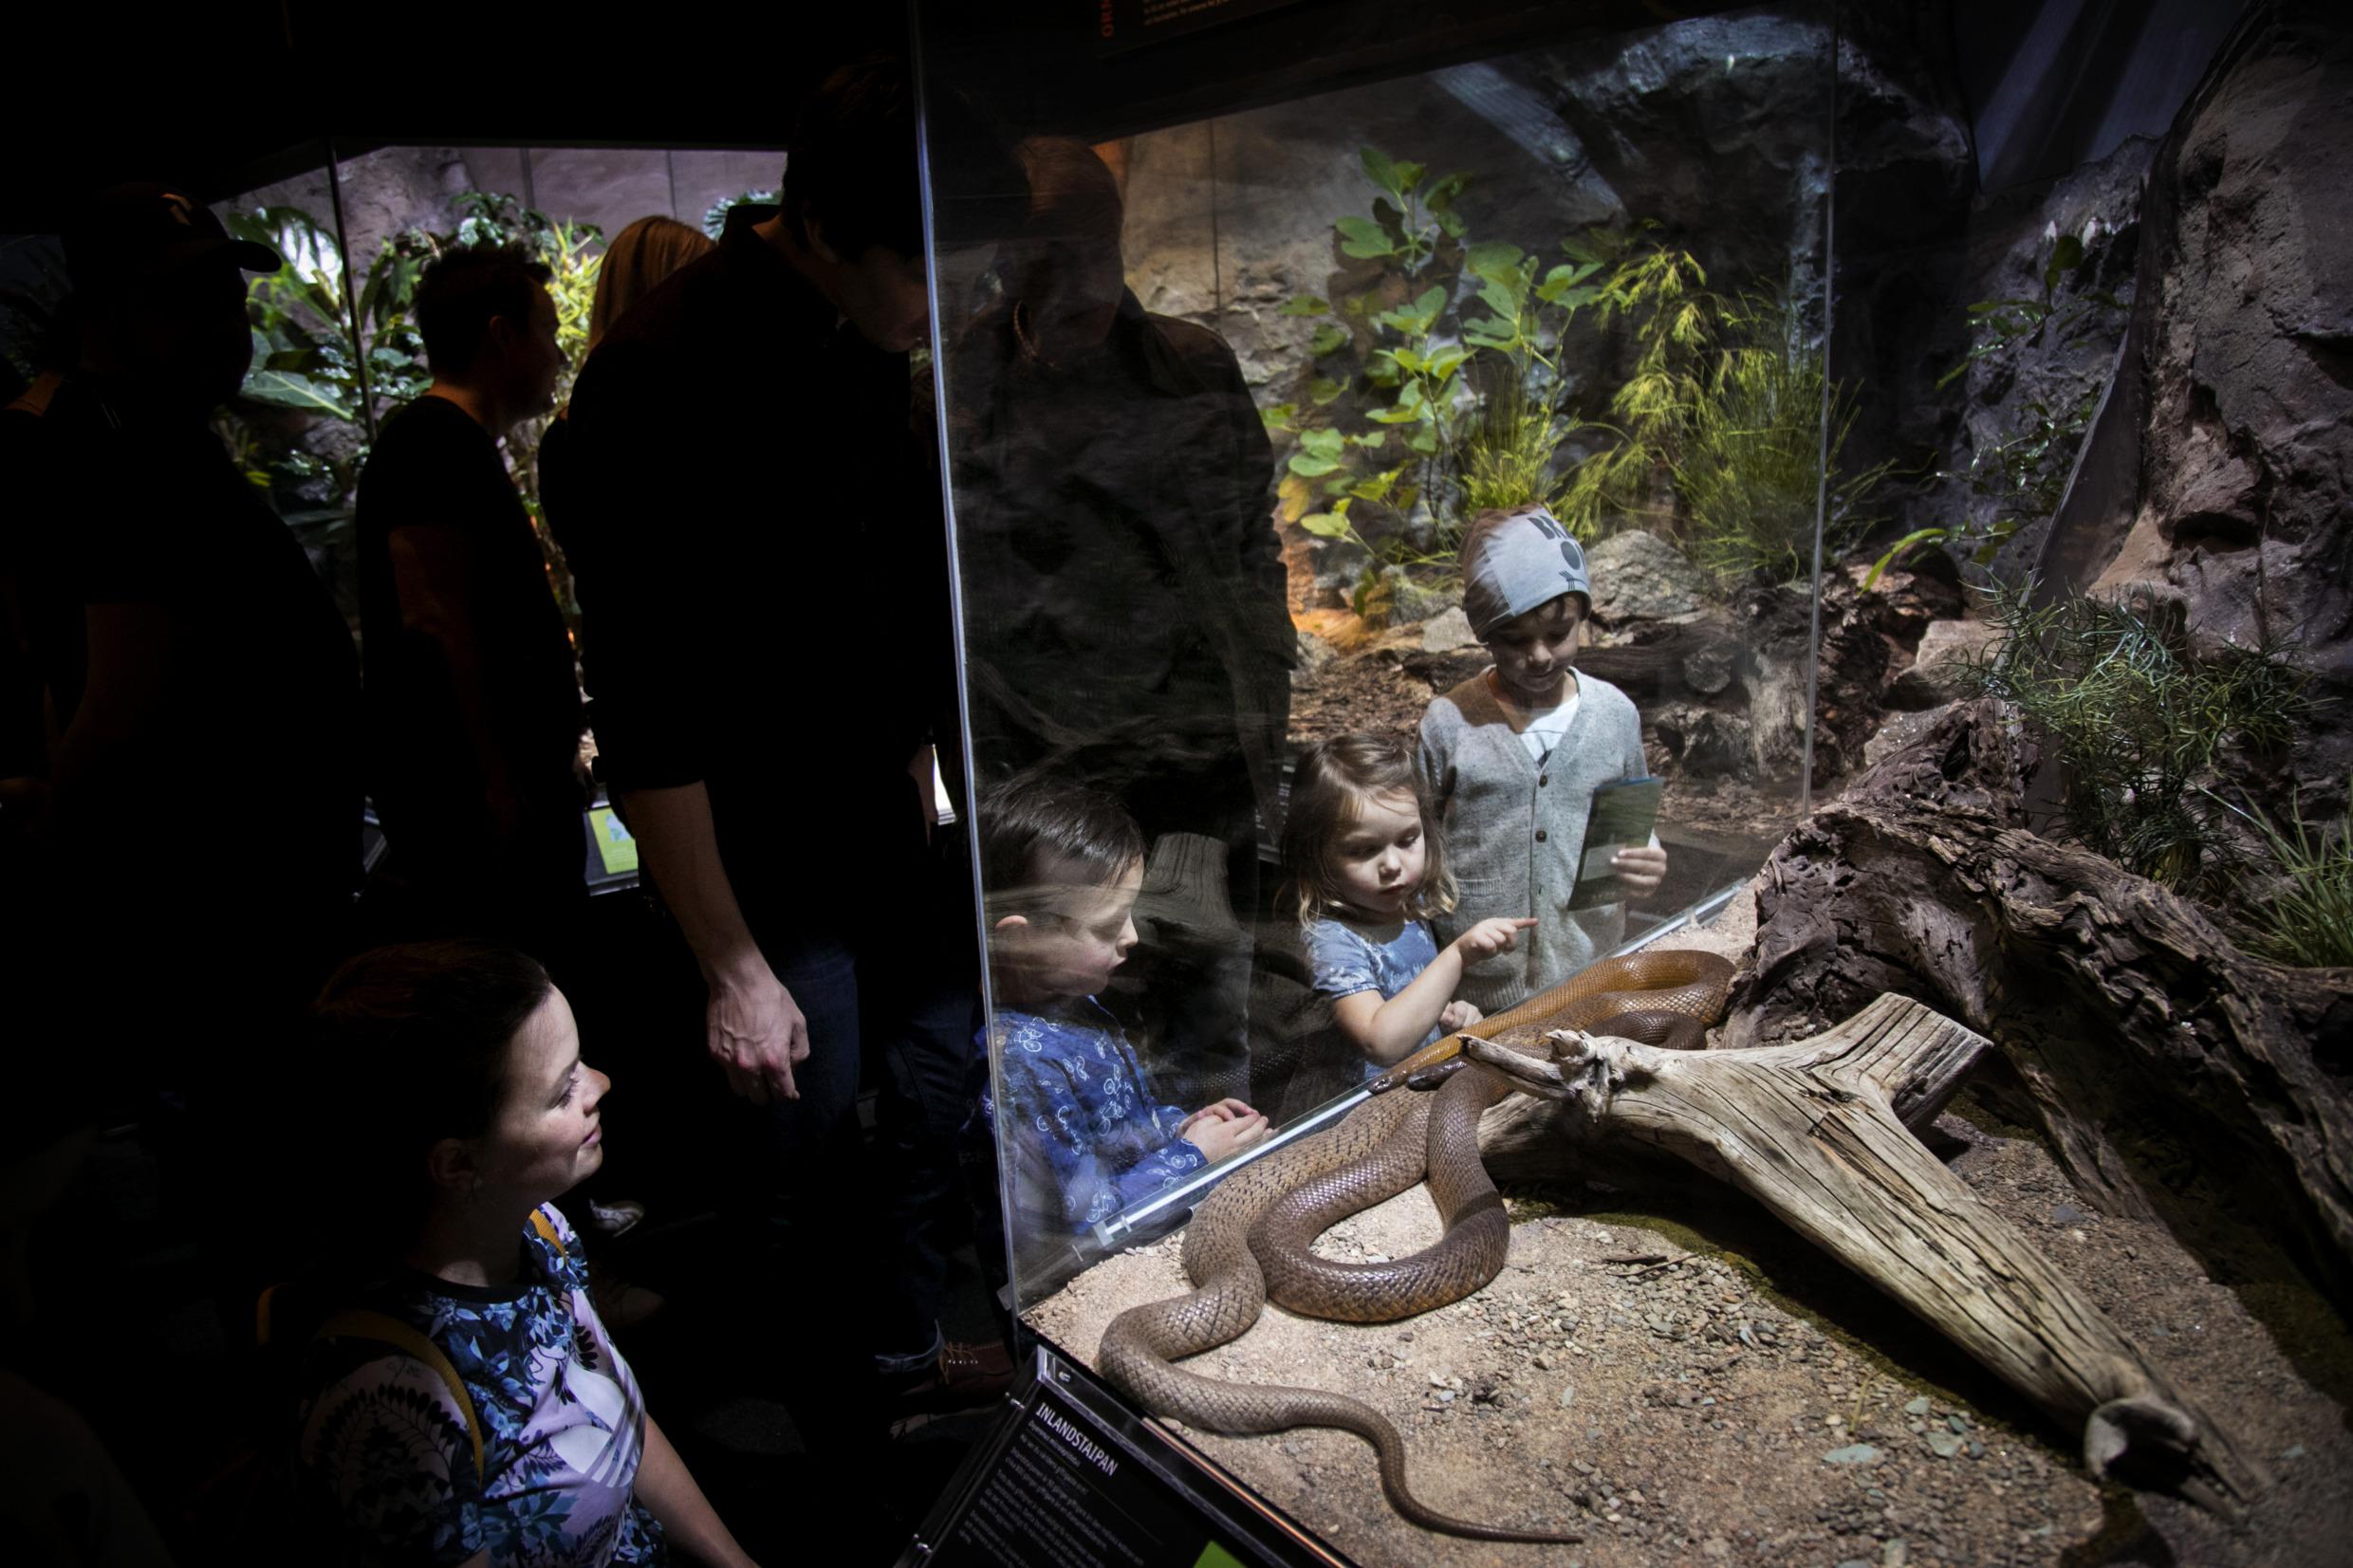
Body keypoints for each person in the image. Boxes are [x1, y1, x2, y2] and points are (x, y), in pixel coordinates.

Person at [559, 57, 1022, 1419]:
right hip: (762, 869)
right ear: (821, 226)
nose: (942, 306)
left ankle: (893, 1353)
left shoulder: (870, 353)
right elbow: (647, 708)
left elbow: (900, 611)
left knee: (935, 1093)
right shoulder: (655, 381)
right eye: (921, 269)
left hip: (885, 835)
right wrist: (729, 962)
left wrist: (955, 805)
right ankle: (800, 1435)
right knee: (794, 1158)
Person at [947, 137, 1292, 1113]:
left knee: (1188, 955)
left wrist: (1259, 692)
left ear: (1111, 236)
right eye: (1031, 245)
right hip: (1045, 762)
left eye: (1074, 243)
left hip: (1181, 760)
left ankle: (1208, 1155)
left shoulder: (1188, 365)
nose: (1051, 269)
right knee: (1062, 977)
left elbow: (1248, 544)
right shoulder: (969, 372)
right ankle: (1092, 1176)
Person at [293, 941, 757, 1568]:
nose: (600, 1083)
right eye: (562, 1091)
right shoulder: (389, 1404)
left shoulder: (540, 1227)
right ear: (459, 1162)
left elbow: (615, 1417)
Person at [355, 244, 585, 949]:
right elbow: (438, 620)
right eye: (547, 332)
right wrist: (498, 782)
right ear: (501, 335)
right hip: (479, 812)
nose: (557, 354)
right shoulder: (431, 444)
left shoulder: (451, 442)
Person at [977, 775, 1268, 1244]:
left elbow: (1113, 1132)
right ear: (1020, 940)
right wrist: (1193, 1156)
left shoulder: (1076, 1006)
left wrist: (1179, 1127)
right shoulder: (1023, 1065)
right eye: (1109, 924)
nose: (1132, 936)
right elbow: (1086, 1222)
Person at [1417, 507, 1668, 1014]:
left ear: (1583, 617)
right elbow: (1419, 850)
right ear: (1484, 635)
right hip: (1477, 995)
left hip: (1590, 974)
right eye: (1513, 640)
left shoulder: (1614, 715)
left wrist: (1645, 858)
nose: (1539, 656)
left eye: (1558, 634)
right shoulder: (1448, 723)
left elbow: (1626, 830)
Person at [1281, 732, 1537, 1071]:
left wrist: (1449, 1016)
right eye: (1363, 850)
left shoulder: (1406, 904)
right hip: (1366, 1112)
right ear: (1316, 855)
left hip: (1415, 1089)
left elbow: (1408, 1005)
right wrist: (1457, 956)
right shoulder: (1333, 941)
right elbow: (1380, 1042)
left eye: (1407, 840)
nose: (1392, 865)